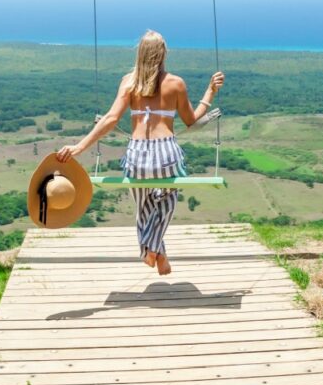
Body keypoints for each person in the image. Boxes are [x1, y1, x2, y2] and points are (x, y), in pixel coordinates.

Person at [56, 30, 224, 276]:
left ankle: (154, 252)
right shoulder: (176, 83)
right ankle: (154, 251)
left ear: (140, 53)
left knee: (143, 207)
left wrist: (80, 146)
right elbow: (191, 119)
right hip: (166, 151)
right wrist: (210, 91)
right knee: (166, 201)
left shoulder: (128, 83)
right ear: (164, 53)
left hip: (137, 154)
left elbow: (111, 118)